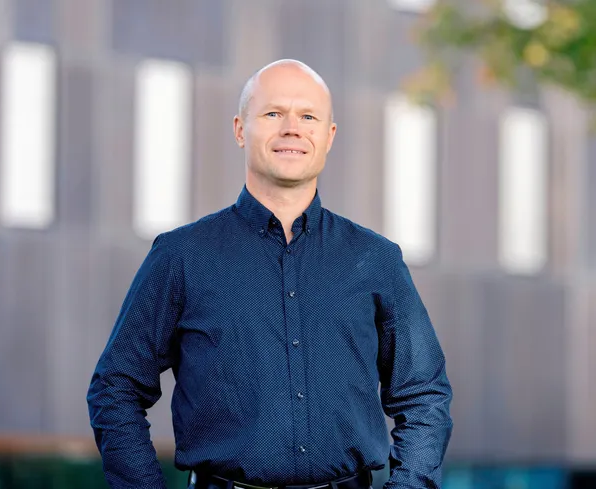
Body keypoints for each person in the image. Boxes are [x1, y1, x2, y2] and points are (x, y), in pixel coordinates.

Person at [86, 59, 453, 489]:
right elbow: (116, 388)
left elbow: (424, 395)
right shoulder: (182, 256)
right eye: (273, 113)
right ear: (241, 129)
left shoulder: (376, 260)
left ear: (329, 136)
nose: (292, 128)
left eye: (308, 116)